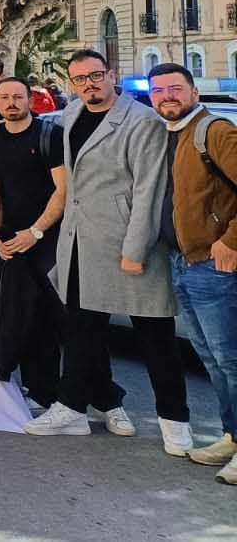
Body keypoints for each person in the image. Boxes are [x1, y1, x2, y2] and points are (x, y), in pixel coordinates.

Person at [24, 50, 189, 456]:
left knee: (156, 337)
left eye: (96, 75)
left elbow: (149, 189)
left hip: (129, 244)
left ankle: (175, 421)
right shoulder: (71, 114)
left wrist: (135, 249)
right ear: (72, 84)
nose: (89, 84)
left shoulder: (142, 121)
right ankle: (72, 409)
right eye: (80, 79)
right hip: (82, 243)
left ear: (111, 75)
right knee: (82, 331)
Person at [148, 62, 237, 483]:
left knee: (231, 360)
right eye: (159, 90)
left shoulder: (214, 131)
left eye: (175, 88)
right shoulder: (168, 133)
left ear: (193, 92)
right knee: (213, 360)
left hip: (214, 265)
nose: (167, 96)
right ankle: (232, 436)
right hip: (183, 263)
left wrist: (230, 240)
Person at [0, 77, 66, 410]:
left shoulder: (49, 135)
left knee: (60, 318)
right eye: (4, 97)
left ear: (29, 100)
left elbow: (62, 190)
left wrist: (36, 232)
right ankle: (37, 391)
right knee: (19, 317)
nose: (11, 103)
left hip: (49, 239)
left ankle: (86, 396)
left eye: (17, 96)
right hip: (12, 242)